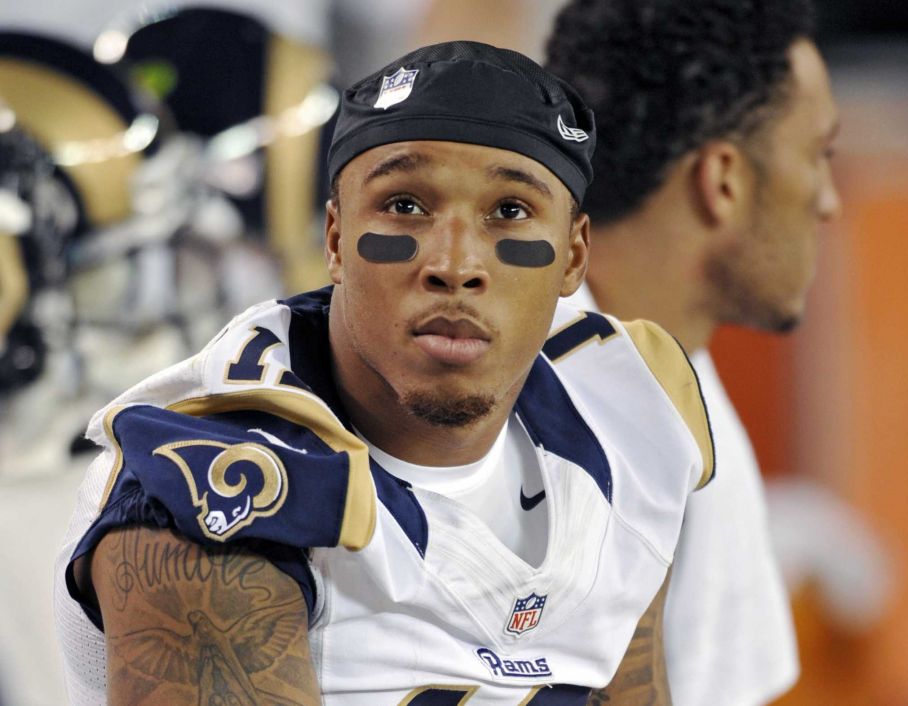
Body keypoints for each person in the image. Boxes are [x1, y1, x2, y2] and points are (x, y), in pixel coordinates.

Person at [55, 41, 714, 705]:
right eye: (405, 205)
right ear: (336, 240)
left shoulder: (626, 412)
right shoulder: (223, 479)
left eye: (510, 211)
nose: (455, 265)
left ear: (573, 258)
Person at [545, 2, 841, 704]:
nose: (828, 201)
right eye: (818, 155)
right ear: (725, 181)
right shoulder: (511, 408)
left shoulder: (681, 377)